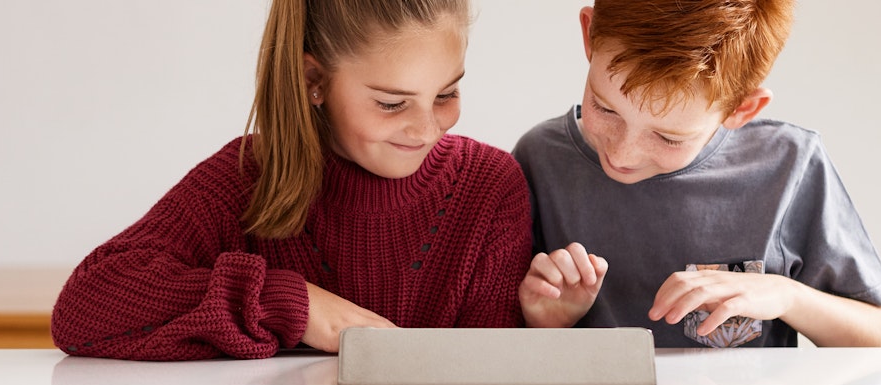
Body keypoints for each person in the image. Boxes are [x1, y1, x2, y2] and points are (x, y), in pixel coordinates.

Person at [52, 0, 531, 361]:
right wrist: (291, 304)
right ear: (313, 80)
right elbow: (84, 308)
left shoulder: (489, 187)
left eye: (447, 93)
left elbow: (489, 381)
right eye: (391, 103)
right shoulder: (248, 179)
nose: (427, 129)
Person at [512, 0, 881, 347]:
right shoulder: (539, 160)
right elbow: (504, 349)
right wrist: (545, 322)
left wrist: (787, 296)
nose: (623, 154)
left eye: (668, 137)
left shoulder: (788, 166)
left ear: (742, 109)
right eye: (605, 109)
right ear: (589, 34)